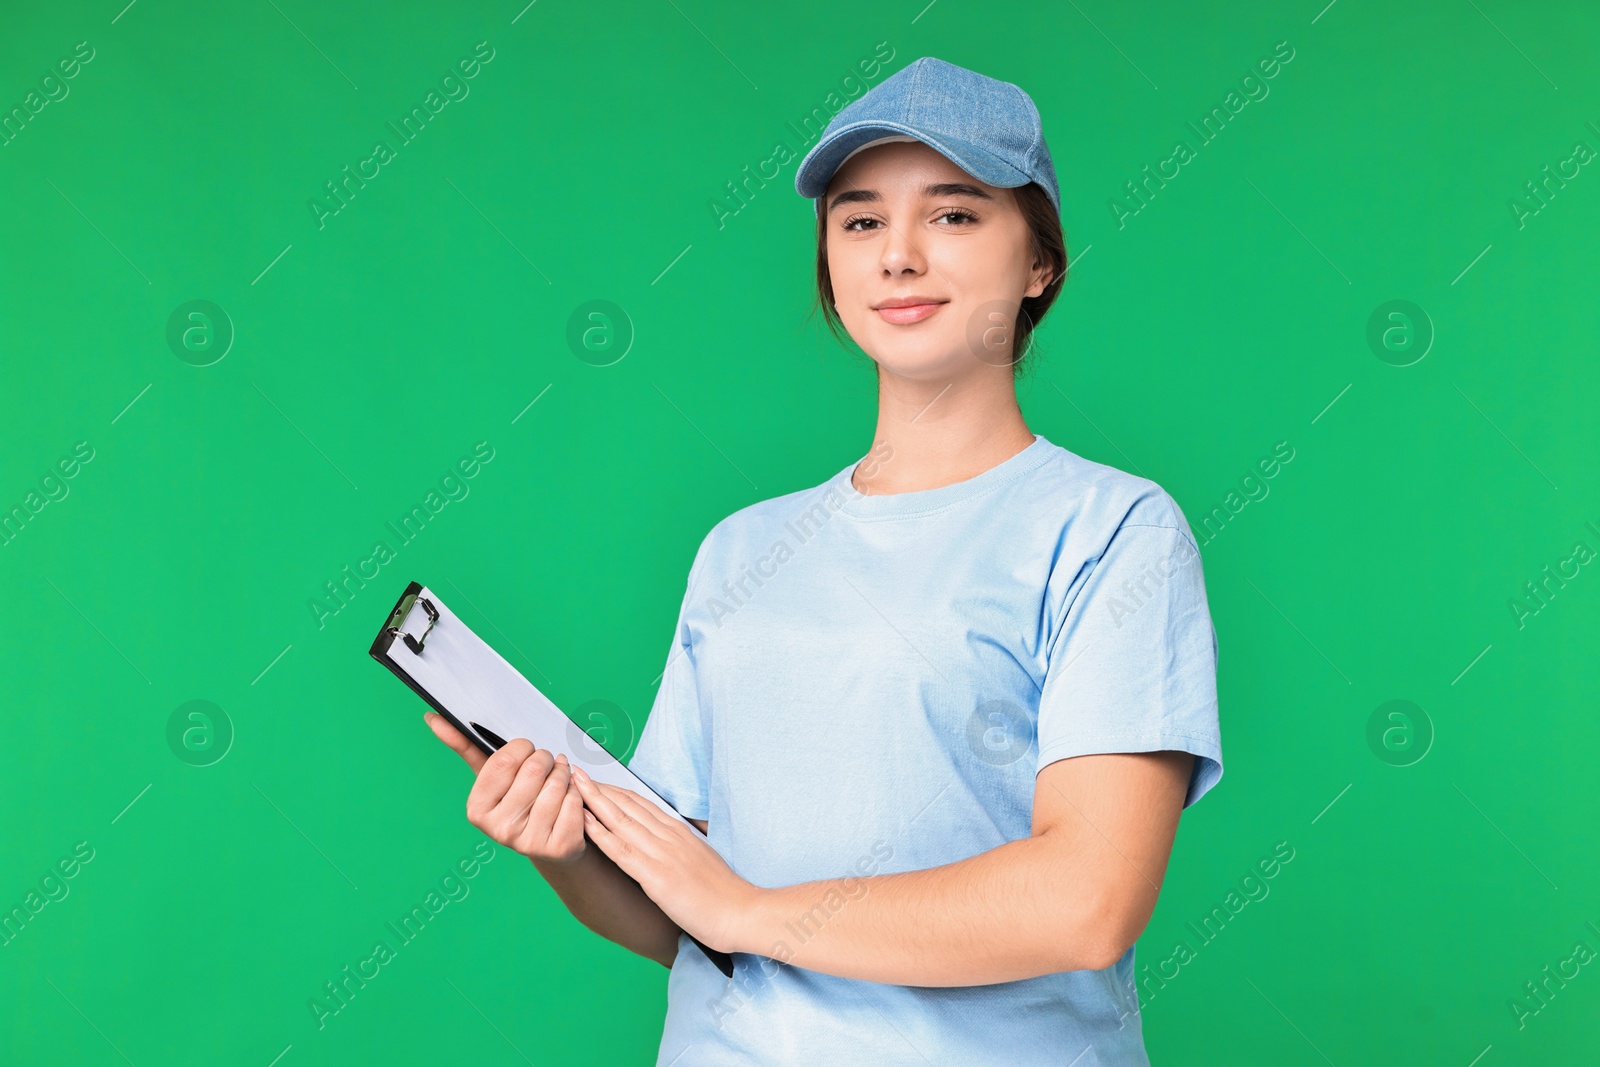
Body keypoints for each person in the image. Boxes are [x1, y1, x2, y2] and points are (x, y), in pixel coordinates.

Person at [426, 56, 1223, 1066]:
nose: (897, 255)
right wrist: (567, 849)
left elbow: (1087, 899)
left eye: (954, 214)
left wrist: (756, 910)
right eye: (858, 221)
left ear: (1040, 262)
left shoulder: (1111, 530)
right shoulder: (742, 550)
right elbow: (691, 918)